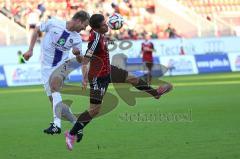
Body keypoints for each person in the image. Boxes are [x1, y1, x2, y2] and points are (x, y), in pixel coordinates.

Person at [64, 14, 173, 150]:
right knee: (94, 110)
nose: (107, 24)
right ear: (97, 28)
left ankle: (155, 93)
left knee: (132, 78)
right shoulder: (96, 39)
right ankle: (71, 134)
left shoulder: (99, 32)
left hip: (108, 70)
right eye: (104, 24)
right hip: (97, 77)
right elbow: (86, 59)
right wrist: (85, 77)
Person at [23, 11, 90, 138]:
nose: (84, 29)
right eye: (84, 25)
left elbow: (82, 61)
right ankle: (77, 125)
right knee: (55, 102)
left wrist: (78, 54)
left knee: (54, 86)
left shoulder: (77, 38)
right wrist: (30, 49)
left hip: (63, 65)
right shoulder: (54, 23)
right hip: (45, 67)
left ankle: (56, 125)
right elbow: (37, 29)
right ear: (78, 21)